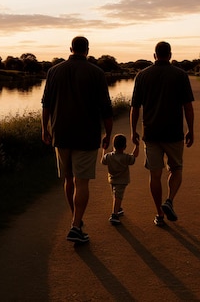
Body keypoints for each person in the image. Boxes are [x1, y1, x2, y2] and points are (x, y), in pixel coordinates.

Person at [41, 36, 113, 244]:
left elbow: (46, 104)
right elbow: (106, 108)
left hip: (61, 133)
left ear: (70, 48)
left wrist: (44, 129)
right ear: (87, 50)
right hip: (86, 134)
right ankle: (75, 224)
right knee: (82, 182)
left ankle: (77, 222)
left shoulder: (54, 71)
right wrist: (108, 133)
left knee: (68, 179)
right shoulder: (96, 73)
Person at [130, 41, 195, 226]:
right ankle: (170, 200)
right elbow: (188, 107)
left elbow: (134, 108)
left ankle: (159, 213)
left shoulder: (142, 76)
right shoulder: (181, 75)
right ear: (170, 54)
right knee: (176, 169)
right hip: (174, 132)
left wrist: (133, 130)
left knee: (155, 175)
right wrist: (191, 129)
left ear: (154, 55)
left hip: (151, 133)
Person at [101, 134, 139, 225]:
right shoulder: (126, 157)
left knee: (115, 194)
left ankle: (118, 209)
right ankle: (114, 215)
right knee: (118, 196)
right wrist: (137, 145)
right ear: (125, 147)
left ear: (113, 145)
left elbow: (103, 160)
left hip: (112, 179)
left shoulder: (109, 156)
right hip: (122, 180)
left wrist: (104, 149)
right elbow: (134, 157)